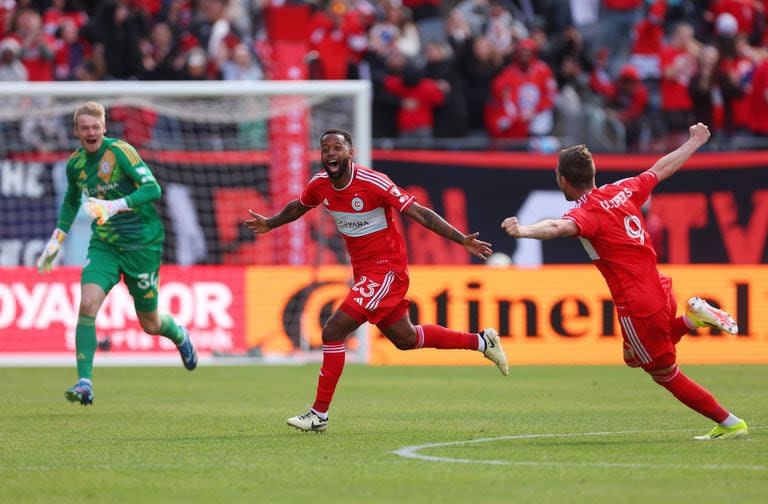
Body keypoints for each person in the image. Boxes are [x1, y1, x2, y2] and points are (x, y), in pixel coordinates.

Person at [245, 129, 508, 432]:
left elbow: (420, 213)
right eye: (325, 148)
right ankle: (482, 341)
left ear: (350, 153)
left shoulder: (374, 182)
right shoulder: (319, 185)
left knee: (332, 331)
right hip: (364, 271)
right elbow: (299, 206)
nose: (330, 153)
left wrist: (462, 239)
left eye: (337, 148)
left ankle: (319, 414)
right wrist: (270, 222)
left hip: (387, 269)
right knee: (405, 339)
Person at [501, 123, 748, 441]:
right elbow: (661, 168)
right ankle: (691, 318)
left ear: (563, 180)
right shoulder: (622, 189)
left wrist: (523, 231)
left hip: (637, 304)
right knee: (633, 357)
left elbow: (556, 227)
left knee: (663, 372)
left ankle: (730, 423)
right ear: (594, 172)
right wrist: (694, 142)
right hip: (659, 288)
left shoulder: (586, 214)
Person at [36, 101, 198, 406]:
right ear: (77, 132)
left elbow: (153, 189)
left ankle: (179, 335)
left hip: (142, 246)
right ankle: (85, 382)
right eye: (85, 128)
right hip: (105, 245)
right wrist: (55, 242)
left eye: (95, 127)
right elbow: (71, 203)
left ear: (104, 127)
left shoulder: (120, 151)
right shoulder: (75, 165)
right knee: (87, 303)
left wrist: (112, 205)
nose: (91, 132)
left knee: (149, 323)